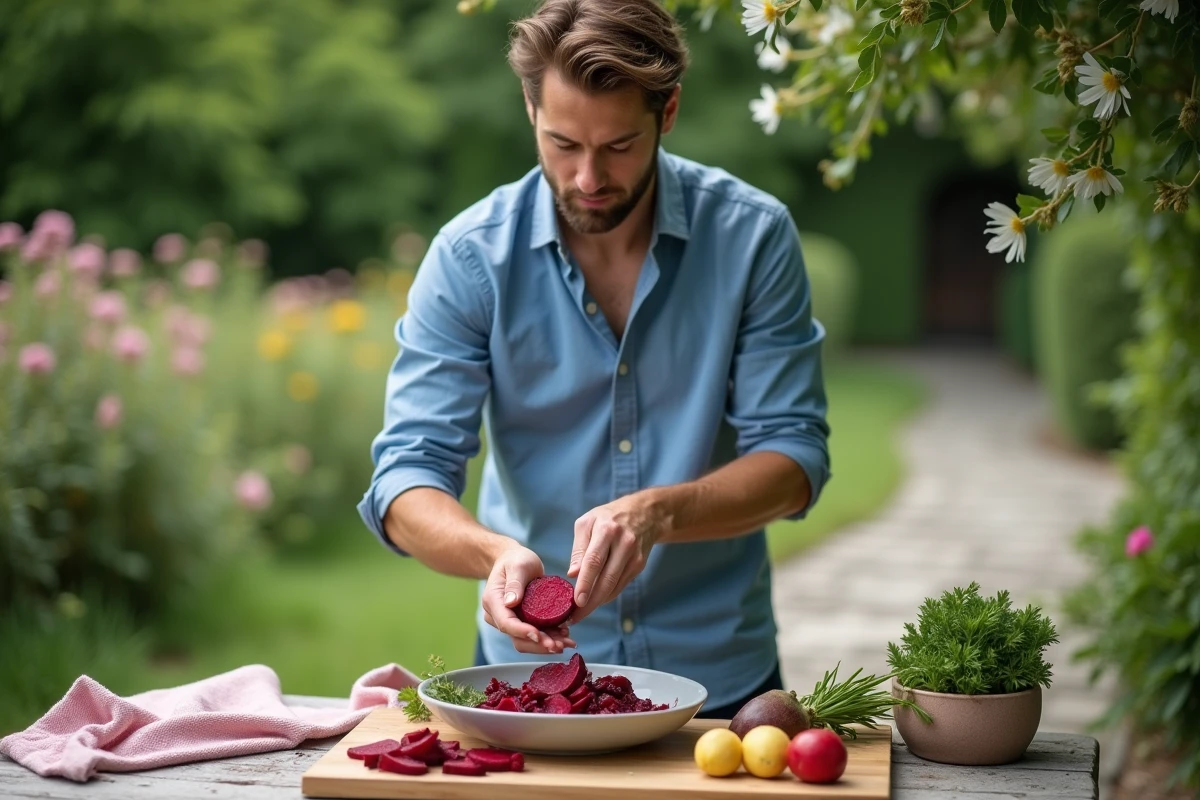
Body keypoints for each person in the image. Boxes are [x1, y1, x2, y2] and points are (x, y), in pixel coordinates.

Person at [357, 0, 830, 719]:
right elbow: (404, 482)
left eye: (618, 146)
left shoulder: (753, 237)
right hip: (528, 681)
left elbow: (793, 461)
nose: (586, 177)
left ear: (667, 112)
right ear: (529, 107)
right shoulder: (468, 257)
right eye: (562, 143)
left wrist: (657, 514)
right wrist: (491, 554)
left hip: (722, 680)